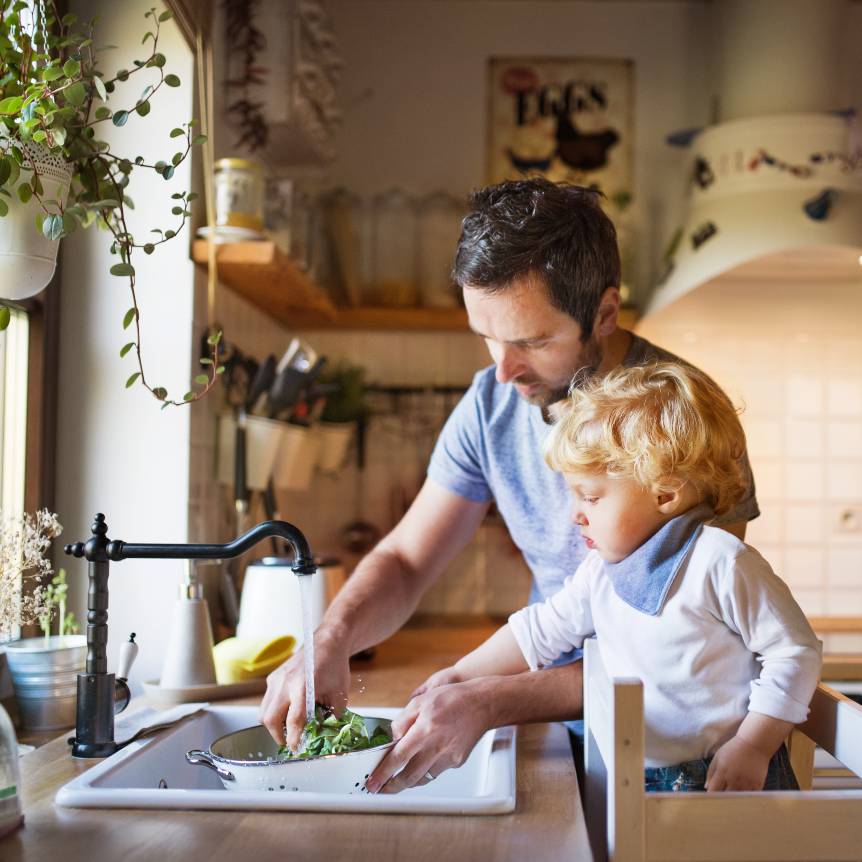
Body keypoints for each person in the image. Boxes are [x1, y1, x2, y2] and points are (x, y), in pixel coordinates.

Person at [259, 178, 760, 793]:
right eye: (487, 336)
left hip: (678, 746)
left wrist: (494, 699)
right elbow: (406, 560)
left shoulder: (687, 420)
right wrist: (329, 641)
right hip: (559, 720)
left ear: (604, 313)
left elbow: (683, 648)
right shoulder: (490, 404)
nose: (503, 368)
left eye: (531, 341)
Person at [412, 362, 821, 792]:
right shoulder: (603, 570)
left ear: (664, 494)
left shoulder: (721, 563)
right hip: (635, 775)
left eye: (590, 496)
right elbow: (539, 631)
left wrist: (754, 747)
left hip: (726, 773)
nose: (576, 514)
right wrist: (460, 675)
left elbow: (796, 653)